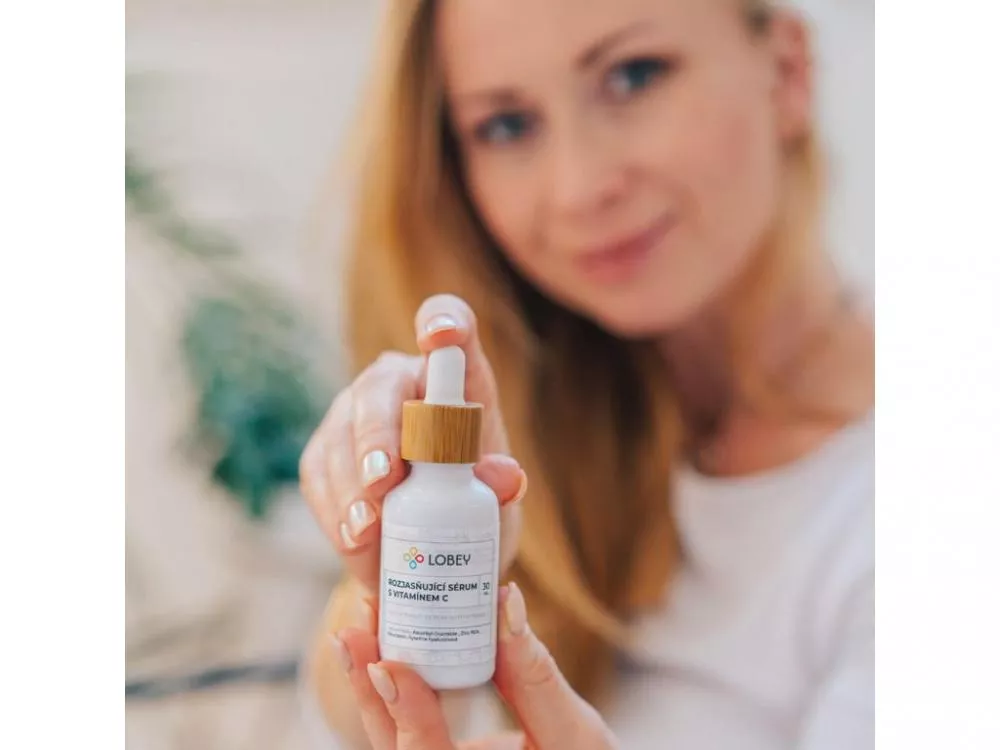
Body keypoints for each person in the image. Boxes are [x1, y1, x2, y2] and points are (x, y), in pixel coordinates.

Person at [297, 0, 874, 747]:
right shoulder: (539, 414)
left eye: (633, 76)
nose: (579, 187)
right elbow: (329, 729)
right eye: (506, 125)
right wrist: (388, 572)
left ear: (788, 72)